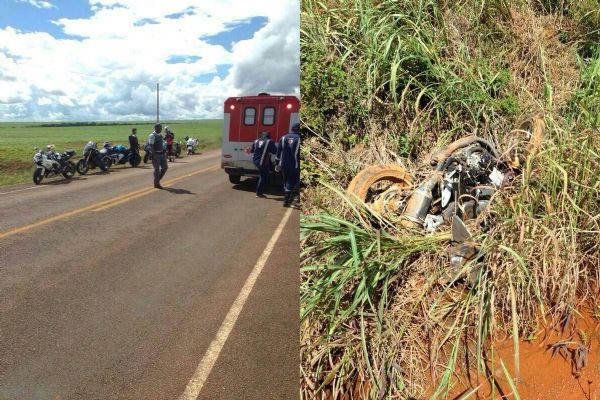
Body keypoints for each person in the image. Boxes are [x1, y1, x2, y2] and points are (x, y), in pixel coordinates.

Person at [276, 123, 301, 207]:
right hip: (295, 165)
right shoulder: (299, 138)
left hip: (283, 164)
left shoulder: (283, 138)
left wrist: (277, 164)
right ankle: (287, 201)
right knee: (291, 182)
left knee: (286, 181)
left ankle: (287, 199)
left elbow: (278, 153)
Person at [251, 131, 277, 198]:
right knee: (263, 176)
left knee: (263, 175)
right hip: (262, 161)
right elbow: (274, 151)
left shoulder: (256, 141)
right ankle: (259, 193)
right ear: (268, 136)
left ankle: (259, 191)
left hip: (255, 160)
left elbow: (252, 150)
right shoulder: (270, 141)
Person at [148, 123, 167, 189]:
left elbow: (163, 143)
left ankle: (157, 180)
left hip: (162, 154)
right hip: (156, 154)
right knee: (157, 170)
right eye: (160, 128)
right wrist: (154, 155)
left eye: (161, 128)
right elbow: (151, 146)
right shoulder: (152, 135)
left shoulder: (160, 135)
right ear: (156, 128)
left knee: (165, 167)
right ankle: (156, 184)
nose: (161, 129)